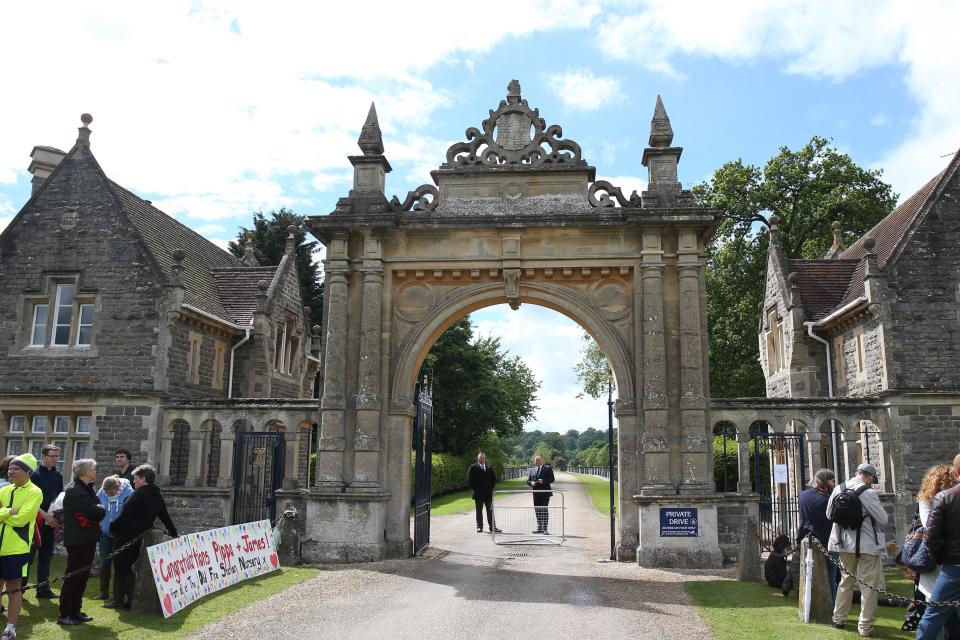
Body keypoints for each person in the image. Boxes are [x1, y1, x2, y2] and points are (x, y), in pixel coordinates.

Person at [827, 462, 888, 637]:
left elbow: (828, 514)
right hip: (867, 545)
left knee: (845, 582)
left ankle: (839, 619)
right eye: (872, 479)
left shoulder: (839, 489)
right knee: (868, 585)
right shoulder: (868, 493)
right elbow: (883, 519)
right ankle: (865, 626)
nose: (871, 482)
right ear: (868, 476)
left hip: (843, 544)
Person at [106, 464, 177, 610]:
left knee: (120, 567)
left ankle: (119, 600)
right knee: (128, 567)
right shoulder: (156, 495)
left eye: (136, 478)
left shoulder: (139, 493)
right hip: (138, 535)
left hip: (126, 535)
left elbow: (125, 514)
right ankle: (130, 600)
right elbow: (165, 516)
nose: (133, 481)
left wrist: (113, 527)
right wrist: (174, 532)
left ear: (144, 479)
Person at [58, 459, 106, 626]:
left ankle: (75, 611)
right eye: (94, 469)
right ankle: (65, 614)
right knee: (73, 577)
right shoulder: (75, 490)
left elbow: (94, 508)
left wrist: (99, 507)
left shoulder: (86, 488)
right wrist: (103, 508)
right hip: (78, 540)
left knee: (83, 576)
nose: (95, 471)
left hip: (88, 538)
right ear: (86, 471)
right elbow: (94, 512)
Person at [0, 453, 43, 640]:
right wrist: (10, 511)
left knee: (14, 589)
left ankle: (10, 628)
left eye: (15, 468)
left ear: (27, 472)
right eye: (10, 468)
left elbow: (21, 520)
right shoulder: (4, 490)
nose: (10, 471)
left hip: (16, 549)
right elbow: (14, 515)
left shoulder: (35, 492)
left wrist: (3, 515)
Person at [917, 453, 960, 639]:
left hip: (954, 565)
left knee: (933, 615)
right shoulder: (944, 497)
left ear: (956, 471)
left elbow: (930, 537)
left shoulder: (946, 497)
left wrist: (941, 558)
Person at [27, 444, 62, 599]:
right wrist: (45, 516)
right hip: (35, 522)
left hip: (50, 522)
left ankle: (43, 590)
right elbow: (31, 501)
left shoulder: (58, 475)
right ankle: (19, 589)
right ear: (43, 456)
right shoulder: (34, 475)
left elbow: (58, 498)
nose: (55, 459)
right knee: (28, 557)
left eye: (57, 456)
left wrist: (56, 516)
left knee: (46, 557)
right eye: (52, 456)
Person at [798, 468, 838, 601]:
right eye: (833, 481)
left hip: (809, 538)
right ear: (826, 482)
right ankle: (832, 606)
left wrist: (799, 539)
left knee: (810, 575)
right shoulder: (830, 499)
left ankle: (811, 603)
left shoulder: (803, 496)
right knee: (831, 576)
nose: (834, 484)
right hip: (828, 540)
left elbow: (803, 520)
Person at [92, 475, 132, 600]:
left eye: (111, 493)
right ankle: (103, 592)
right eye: (106, 493)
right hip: (105, 534)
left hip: (120, 535)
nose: (108, 495)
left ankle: (119, 595)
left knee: (120, 564)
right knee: (105, 562)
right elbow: (96, 506)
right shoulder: (102, 492)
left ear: (118, 488)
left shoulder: (129, 493)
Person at [467, 452, 499, 533]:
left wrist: (491, 488)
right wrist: (475, 489)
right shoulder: (473, 467)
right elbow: (470, 480)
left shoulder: (489, 467)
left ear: (485, 458)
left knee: (490, 511)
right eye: (480, 458)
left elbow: (493, 479)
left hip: (488, 494)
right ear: (478, 459)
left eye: (483, 458)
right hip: (478, 494)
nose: (481, 459)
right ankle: (479, 527)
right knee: (479, 511)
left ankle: (493, 527)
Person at [527, 455, 555, 534]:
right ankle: (539, 528)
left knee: (544, 510)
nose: (537, 461)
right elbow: (528, 481)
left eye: (539, 460)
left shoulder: (547, 469)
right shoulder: (532, 470)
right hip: (536, 494)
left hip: (545, 494)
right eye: (536, 460)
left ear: (542, 461)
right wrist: (531, 483)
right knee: (537, 511)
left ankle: (545, 529)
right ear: (534, 461)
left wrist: (543, 481)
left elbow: (552, 479)